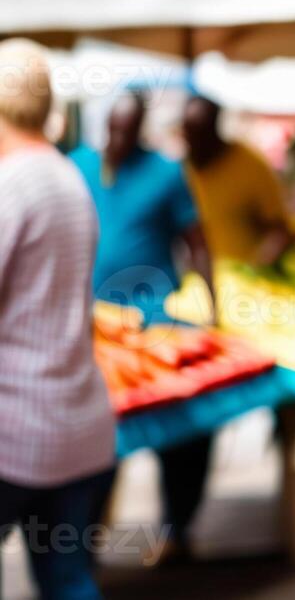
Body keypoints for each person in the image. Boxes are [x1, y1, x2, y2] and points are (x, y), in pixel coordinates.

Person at [71, 89, 214, 565]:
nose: (118, 140)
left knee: (183, 429)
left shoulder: (167, 173)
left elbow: (198, 242)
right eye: (112, 130)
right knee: (96, 438)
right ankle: (81, 544)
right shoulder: (80, 167)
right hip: (93, 326)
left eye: (127, 132)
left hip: (155, 323)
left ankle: (177, 528)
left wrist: (210, 309)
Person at [0, 40, 115, 600]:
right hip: (79, 424)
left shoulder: (9, 185)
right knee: (68, 580)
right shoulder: (70, 179)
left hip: (16, 431)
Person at [182, 94, 291, 266]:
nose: (191, 142)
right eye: (188, 134)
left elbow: (279, 229)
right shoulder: (183, 170)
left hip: (249, 281)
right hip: (201, 282)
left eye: (198, 134)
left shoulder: (249, 164)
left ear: (214, 129)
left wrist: (256, 268)